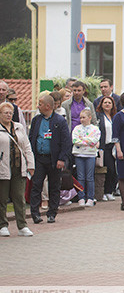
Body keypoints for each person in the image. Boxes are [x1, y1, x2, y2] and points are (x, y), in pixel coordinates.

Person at [28, 93, 72, 224]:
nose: (38, 106)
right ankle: (35, 213)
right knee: (36, 185)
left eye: (40, 104)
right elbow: (31, 138)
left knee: (54, 186)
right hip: (39, 158)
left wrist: (62, 159)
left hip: (54, 159)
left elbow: (66, 141)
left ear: (48, 106)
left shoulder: (59, 121)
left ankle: (52, 213)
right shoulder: (36, 120)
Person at [0, 101, 35, 237]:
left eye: (10, 113)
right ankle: (3, 225)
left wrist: (31, 165)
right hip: (3, 168)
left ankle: (22, 225)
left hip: (19, 167)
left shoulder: (19, 127)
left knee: (19, 198)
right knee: (2, 198)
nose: (8, 115)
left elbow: (27, 147)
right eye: (5, 113)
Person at [72, 108, 101, 207]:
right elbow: (75, 140)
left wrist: (83, 139)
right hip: (79, 154)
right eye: (80, 118)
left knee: (89, 177)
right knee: (80, 177)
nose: (82, 119)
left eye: (84, 117)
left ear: (89, 118)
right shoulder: (77, 128)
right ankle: (81, 197)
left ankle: (90, 198)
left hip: (90, 155)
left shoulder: (95, 129)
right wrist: (88, 142)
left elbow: (95, 140)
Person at [96, 96, 118, 201]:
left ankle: (110, 190)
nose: (107, 104)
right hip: (103, 146)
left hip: (113, 146)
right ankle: (104, 192)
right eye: (105, 102)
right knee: (105, 169)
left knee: (113, 170)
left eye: (109, 102)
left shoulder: (115, 116)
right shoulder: (99, 116)